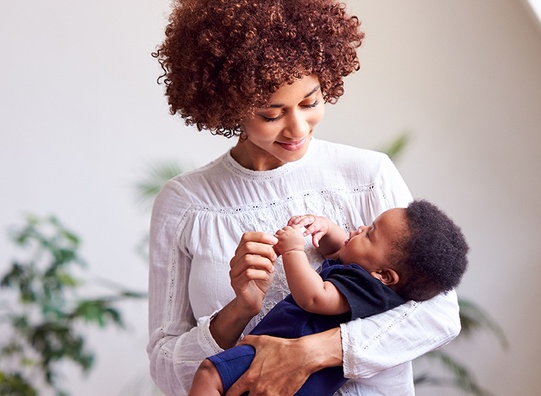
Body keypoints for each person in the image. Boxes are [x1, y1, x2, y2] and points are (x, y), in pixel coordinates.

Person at [146, 0, 462, 395]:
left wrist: (312, 352)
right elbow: (164, 367)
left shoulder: (368, 176)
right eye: (271, 113)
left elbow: (439, 315)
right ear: (229, 105)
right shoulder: (185, 204)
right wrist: (240, 309)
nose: (297, 127)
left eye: (311, 103)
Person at [187, 200, 469, 396]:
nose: (359, 229)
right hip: (304, 377)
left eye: (370, 233)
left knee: (209, 373)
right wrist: (323, 226)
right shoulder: (368, 278)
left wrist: (294, 250)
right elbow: (338, 248)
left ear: (384, 275)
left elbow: (314, 297)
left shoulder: (367, 288)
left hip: (284, 353)